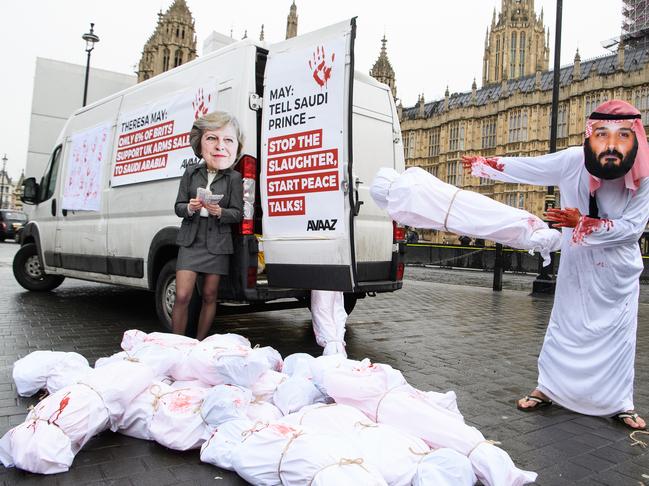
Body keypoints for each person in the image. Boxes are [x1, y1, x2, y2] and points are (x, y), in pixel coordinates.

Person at [462, 99, 649, 430]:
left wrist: (584, 222)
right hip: (579, 266)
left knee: (618, 338)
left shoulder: (644, 177)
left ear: (636, 138)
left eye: (622, 136)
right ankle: (547, 388)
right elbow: (531, 166)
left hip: (618, 272)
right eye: (602, 134)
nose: (611, 145)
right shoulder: (573, 162)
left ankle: (621, 403)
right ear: (589, 136)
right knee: (565, 326)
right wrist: (486, 164)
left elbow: (632, 229)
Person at [172, 111, 243, 340]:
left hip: (218, 243)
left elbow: (238, 214)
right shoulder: (191, 173)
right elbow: (178, 206)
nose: (219, 145)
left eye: (227, 140)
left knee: (210, 296)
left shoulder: (233, 178)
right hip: (191, 240)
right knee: (182, 295)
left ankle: (199, 343)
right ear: (200, 143)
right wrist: (190, 208)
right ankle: (176, 343)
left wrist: (220, 212)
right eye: (211, 138)